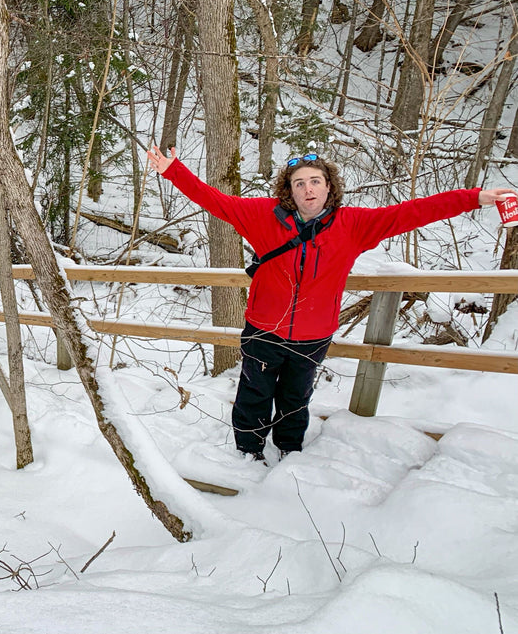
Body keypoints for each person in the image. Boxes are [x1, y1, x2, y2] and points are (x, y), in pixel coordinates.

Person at [146, 146, 513, 463]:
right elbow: (217, 201)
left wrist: (472, 198)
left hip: (313, 334)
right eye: (299, 183)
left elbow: (412, 213)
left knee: (295, 398)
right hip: (264, 329)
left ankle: (290, 451)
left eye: (315, 181)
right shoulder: (263, 217)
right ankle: (248, 452)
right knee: (254, 394)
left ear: (329, 185)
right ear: (289, 191)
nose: (308, 189)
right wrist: (173, 171)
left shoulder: (353, 224)